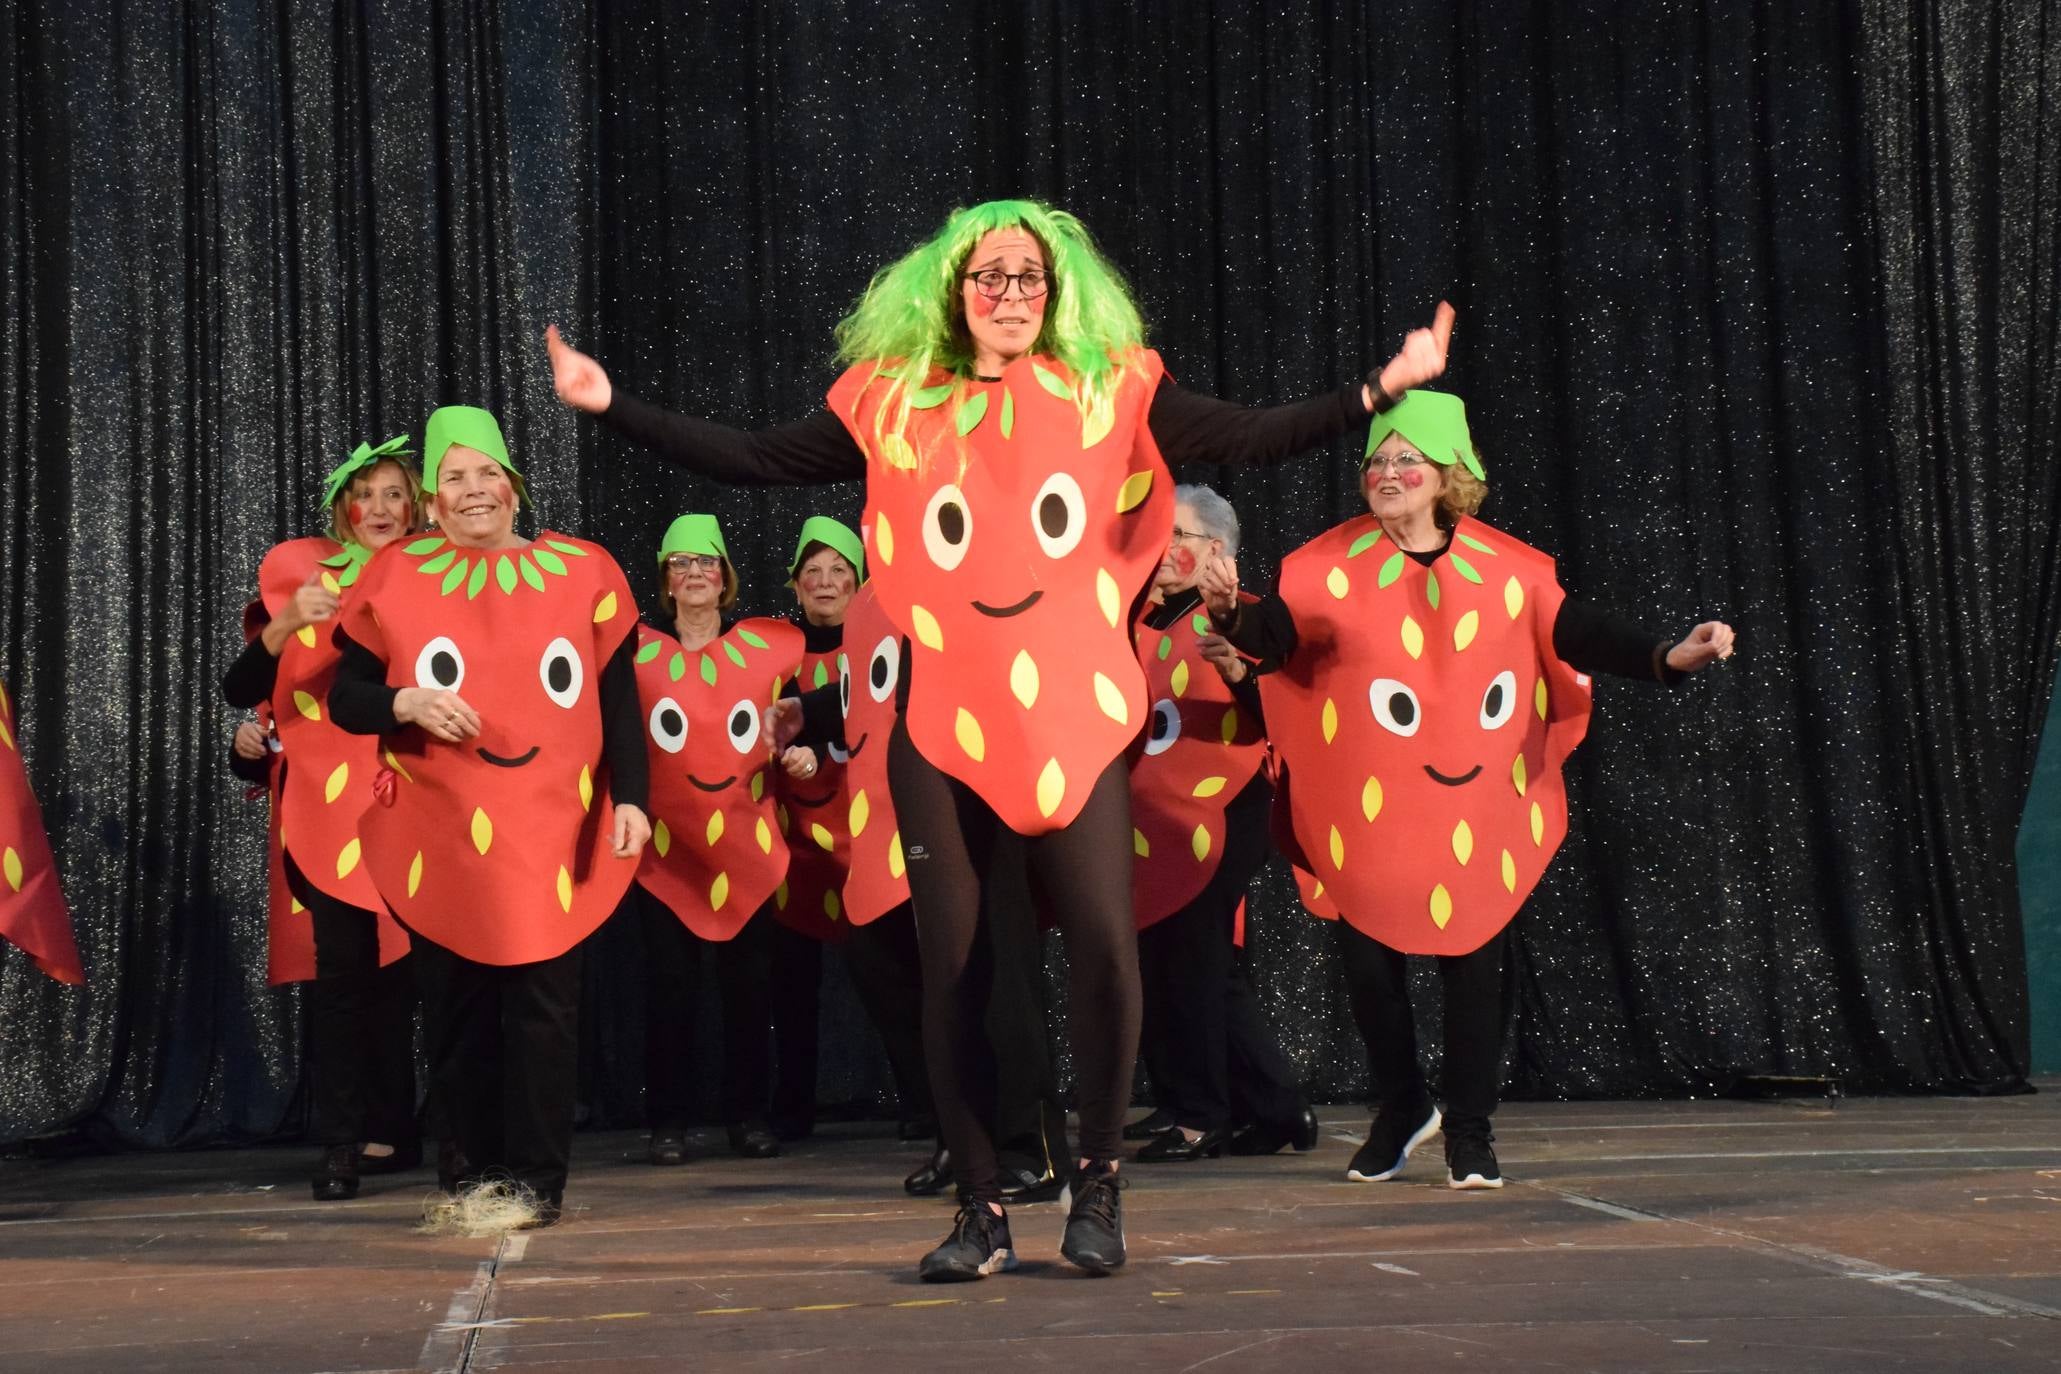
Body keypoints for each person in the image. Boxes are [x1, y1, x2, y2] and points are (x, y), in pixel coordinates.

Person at [547, 197, 1454, 1280]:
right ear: (952, 292)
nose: (1012, 295)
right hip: (943, 727)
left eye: (1030, 278)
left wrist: (1377, 389)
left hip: (1075, 718)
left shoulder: (1112, 388)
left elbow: (1249, 434)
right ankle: (983, 1206)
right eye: (992, 278)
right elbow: (754, 457)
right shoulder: (893, 402)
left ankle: (1100, 1183)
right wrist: (611, 407)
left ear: (1057, 292)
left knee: (1108, 955)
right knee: (958, 970)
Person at [1202, 389, 1734, 1190]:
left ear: (1448, 475)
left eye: (1405, 459)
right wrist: (1228, 615)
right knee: (1369, 971)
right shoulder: (1322, 568)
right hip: (1365, 807)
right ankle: (1401, 1108)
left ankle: (1471, 1133)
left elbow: (1575, 630)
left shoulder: (1507, 570)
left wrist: (1668, 656)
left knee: (1473, 964)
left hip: (1472, 804)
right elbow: (1273, 639)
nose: (1387, 472)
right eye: (1377, 459)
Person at [328, 405, 650, 1227]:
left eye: (487, 474)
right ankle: (471, 1175)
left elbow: (618, 697)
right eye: (455, 479)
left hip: (552, 830)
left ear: (513, 486)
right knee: (459, 1009)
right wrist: (405, 699)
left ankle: (538, 1183)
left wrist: (636, 801)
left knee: (546, 1008)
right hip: (443, 834)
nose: (474, 491)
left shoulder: (583, 572)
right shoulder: (394, 577)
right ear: (433, 503)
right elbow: (347, 699)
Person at [220, 436, 422, 1200]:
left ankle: (407, 1134)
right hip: (328, 809)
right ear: (344, 507)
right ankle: (341, 1144)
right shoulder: (305, 577)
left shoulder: (435, 576)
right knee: (343, 976)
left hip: (416, 793)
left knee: (414, 979)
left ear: (416, 508)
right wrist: (284, 626)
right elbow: (246, 691)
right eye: (365, 493)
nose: (379, 507)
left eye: (394, 493)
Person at [1128, 484, 1315, 1164]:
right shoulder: (1150, 625)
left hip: (1231, 802)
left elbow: (1286, 712)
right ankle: (1267, 1109)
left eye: (1178, 535)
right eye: (1158, 535)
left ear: (1216, 550)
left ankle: (1203, 1115)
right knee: (1171, 956)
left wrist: (1238, 671)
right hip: (1161, 814)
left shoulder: (1249, 617)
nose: (1165, 549)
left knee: (1196, 953)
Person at [630, 513, 814, 1165]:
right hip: (663, 855)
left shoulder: (771, 649)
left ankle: (747, 1116)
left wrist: (803, 757)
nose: (695, 574)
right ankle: (669, 1123)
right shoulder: (633, 654)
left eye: (705, 563)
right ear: (666, 581)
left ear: (724, 577)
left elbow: (801, 725)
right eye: (681, 564)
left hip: (748, 849)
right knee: (669, 994)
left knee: (748, 995)